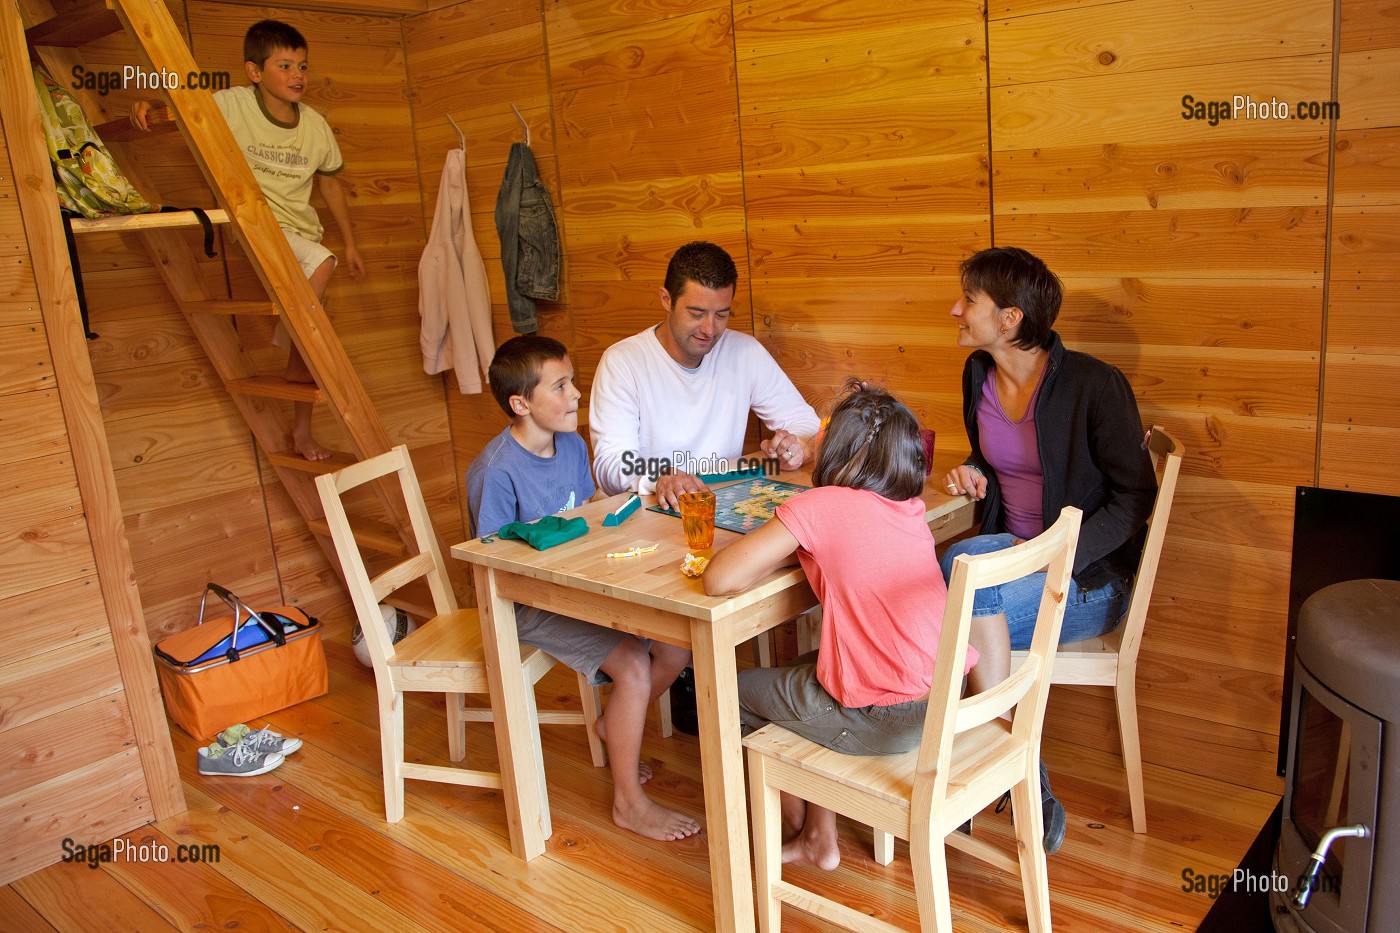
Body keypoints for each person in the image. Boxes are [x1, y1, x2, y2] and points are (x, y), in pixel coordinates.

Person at [704, 380, 976, 871]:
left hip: (888, 717)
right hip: (942, 695)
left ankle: (795, 832)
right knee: (814, 667)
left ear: (835, 449)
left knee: (731, 690)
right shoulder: (909, 507)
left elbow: (719, 578)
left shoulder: (819, 506)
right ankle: (818, 835)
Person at [941, 246, 1158, 855]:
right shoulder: (977, 375)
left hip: (1089, 578)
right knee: (945, 579)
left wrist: (1058, 555)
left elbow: (1134, 496)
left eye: (970, 300)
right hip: (1014, 557)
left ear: (1010, 317)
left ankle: (1006, 782)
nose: (955, 308)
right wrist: (972, 473)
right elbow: (995, 459)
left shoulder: (1095, 385)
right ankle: (1013, 775)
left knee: (949, 610)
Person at [464, 335, 699, 842]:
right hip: (524, 603)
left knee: (678, 645)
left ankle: (610, 723)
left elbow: (589, 505)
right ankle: (627, 804)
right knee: (635, 665)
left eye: (573, 383)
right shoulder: (495, 471)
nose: (576, 396)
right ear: (520, 403)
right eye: (562, 386)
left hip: (582, 589)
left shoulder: (571, 445)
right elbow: (490, 562)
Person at [132, 19, 364, 461]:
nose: (298, 75)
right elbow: (184, 101)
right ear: (255, 72)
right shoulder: (233, 104)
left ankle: (301, 433)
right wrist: (148, 101)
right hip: (256, 227)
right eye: (284, 65)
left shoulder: (315, 125)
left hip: (302, 235)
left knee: (307, 350)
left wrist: (351, 242)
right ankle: (293, 328)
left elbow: (330, 184)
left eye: (302, 66)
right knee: (322, 271)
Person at [589, 240, 820, 510]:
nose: (709, 329)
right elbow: (610, 462)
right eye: (696, 314)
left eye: (721, 315)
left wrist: (799, 447)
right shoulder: (623, 361)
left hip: (720, 504)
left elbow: (806, 422)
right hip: (647, 511)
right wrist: (660, 476)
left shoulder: (744, 352)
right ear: (666, 299)